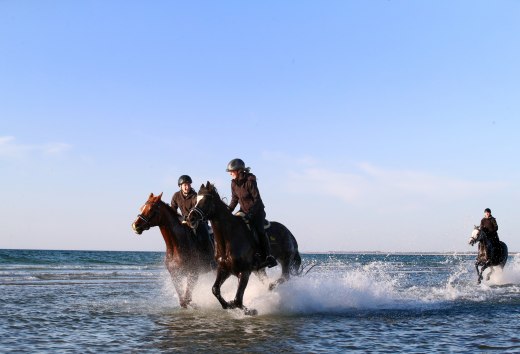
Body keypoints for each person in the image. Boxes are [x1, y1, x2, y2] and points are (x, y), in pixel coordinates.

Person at [226, 158, 277, 268]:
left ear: (239, 170)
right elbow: (234, 200)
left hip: (257, 211)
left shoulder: (250, 180)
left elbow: (257, 200)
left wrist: (251, 214)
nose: (230, 173)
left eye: (231, 171)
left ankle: (268, 256)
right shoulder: (233, 183)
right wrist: (228, 211)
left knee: (259, 230)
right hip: (243, 211)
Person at [171, 175, 215, 267]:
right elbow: (173, 211)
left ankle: (211, 260)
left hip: (197, 221)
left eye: (188, 185)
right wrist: (180, 220)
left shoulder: (195, 196)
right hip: (184, 222)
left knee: (204, 236)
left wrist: (188, 219)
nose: (187, 187)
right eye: (185, 185)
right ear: (180, 186)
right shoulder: (176, 196)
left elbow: (197, 211)